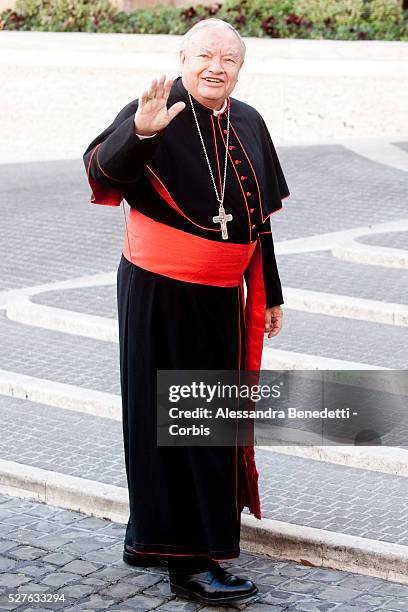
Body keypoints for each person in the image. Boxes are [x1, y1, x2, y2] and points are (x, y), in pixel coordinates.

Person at [83, 18, 290, 606]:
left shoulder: (248, 120)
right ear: (183, 56)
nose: (215, 67)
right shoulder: (153, 107)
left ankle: (172, 540)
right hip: (160, 291)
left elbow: (258, 222)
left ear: (240, 67)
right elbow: (101, 173)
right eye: (204, 56)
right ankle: (187, 562)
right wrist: (140, 135)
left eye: (228, 59)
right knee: (172, 426)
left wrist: (269, 292)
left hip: (222, 297)